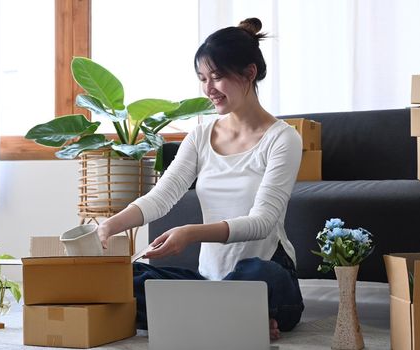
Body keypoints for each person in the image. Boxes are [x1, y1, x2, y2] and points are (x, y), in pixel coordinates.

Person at [97, 17, 304, 340]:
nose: (208, 90)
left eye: (217, 77)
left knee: (257, 274)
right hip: (210, 279)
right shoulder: (200, 136)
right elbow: (162, 196)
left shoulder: (283, 139)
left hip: (264, 271)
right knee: (125, 279)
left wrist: (191, 233)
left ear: (249, 73)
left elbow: (263, 221)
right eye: (202, 78)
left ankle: (218, 314)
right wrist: (111, 224)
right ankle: (237, 318)